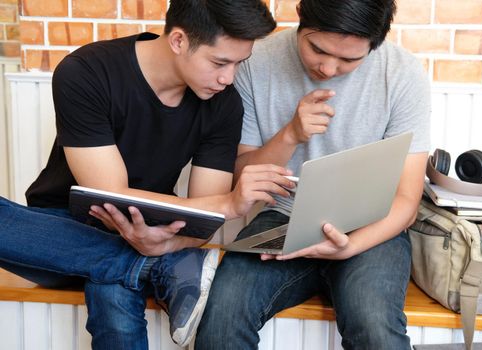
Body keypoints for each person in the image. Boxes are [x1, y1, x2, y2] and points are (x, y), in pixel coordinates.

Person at [0, 1, 292, 349]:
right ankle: (150, 268)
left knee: (111, 286)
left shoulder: (223, 103)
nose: (228, 78)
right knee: (116, 266)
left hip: (152, 228)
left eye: (237, 64)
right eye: (219, 62)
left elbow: (203, 214)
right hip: (61, 233)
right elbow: (109, 194)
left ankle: (141, 264)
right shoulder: (85, 72)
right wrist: (227, 206)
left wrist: (168, 242)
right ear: (179, 40)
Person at [195, 0, 431, 349]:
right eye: (316, 48)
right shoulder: (254, 61)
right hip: (283, 219)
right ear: (301, 16)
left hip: (371, 226)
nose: (328, 67)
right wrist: (290, 134)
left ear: (375, 43)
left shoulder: (402, 74)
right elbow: (240, 177)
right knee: (221, 318)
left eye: (349, 59)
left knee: (375, 327)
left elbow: (407, 201)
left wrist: (350, 246)